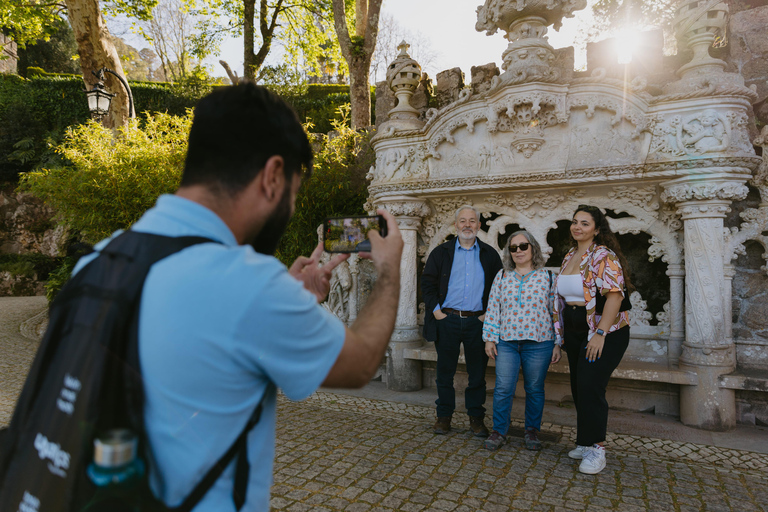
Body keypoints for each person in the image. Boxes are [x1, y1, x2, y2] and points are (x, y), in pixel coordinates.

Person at [72, 83, 403, 511]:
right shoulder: (247, 286)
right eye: (294, 194)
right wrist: (391, 269)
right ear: (272, 176)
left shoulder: (99, 259)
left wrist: (285, 295)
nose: (291, 208)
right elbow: (359, 365)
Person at [553, 204, 631, 475]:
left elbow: (615, 296)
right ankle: (585, 442)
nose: (577, 227)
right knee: (578, 386)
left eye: (585, 223)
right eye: (575, 222)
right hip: (576, 331)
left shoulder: (603, 256)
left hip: (604, 331)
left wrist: (600, 334)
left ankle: (597, 449)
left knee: (590, 386)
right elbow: (564, 300)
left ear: (597, 229)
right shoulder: (569, 256)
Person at [421, 206, 503, 437]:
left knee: (477, 375)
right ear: (456, 225)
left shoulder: (489, 254)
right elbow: (427, 284)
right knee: (444, 372)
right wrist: (437, 312)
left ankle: (476, 419)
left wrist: (487, 314)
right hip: (446, 320)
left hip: (477, 322)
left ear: (478, 225)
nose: (467, 225)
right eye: (463, 221)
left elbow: (499, 287)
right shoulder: (441, 253)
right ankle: (444, 416)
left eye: (472, 221)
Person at [482, 231, 559, 451]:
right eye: (513, 248)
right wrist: (489, 339)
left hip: (540, 342)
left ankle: (532, 431)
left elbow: (556, 313)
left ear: (533, 248)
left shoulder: (548, 277)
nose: (518, 251)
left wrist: (557, 343)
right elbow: (493, 307)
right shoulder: (502, 276)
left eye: (523, 246)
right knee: (503, 388)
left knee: (534, 389)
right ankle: (499, 431)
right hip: (506, 342)